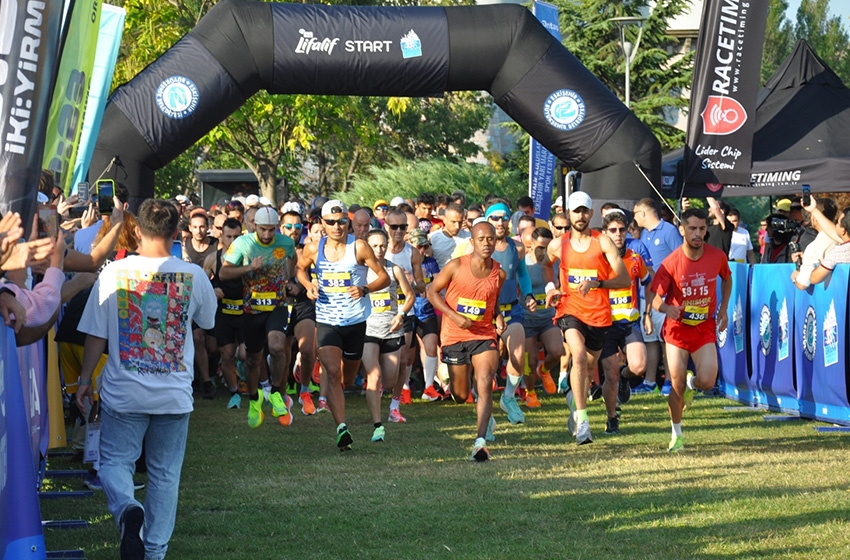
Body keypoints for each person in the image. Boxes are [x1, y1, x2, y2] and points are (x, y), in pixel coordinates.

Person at [76, 199, 216, 560]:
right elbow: (208, 321)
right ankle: (154, 552)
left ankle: (126, 509)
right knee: (165, 475)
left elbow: (95, 334)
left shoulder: (113, 272)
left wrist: (83, 381)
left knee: (114, 464)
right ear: (175, 232)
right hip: (173, 394)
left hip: (124, 393)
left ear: (136, 229)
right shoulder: (193, 274)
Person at [296, 200, 390, 449]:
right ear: (322, 224)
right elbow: (300, 270)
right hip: (327, 320)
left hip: (355, 321)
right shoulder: (313, 248)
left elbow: (384, 277)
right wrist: (308, 286)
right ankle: (341, 428)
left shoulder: (359, 247)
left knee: (347, 378)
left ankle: (343, 397)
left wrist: (365, 288)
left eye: (341, 222)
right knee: (333, 371)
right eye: (331, 222)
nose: (337, 226)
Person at [545, 191, 629, 445]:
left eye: (584, 211)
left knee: (588, 368)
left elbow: (624, 278)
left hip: (600, 315)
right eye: (575, 211)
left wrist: (598, 282)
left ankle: (574, 401)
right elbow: (546, 265)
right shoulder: (559, 244)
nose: (580, 215)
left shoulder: (603, 242)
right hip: (570, 310)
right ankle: (583, 422)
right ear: (567, 214)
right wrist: (551, 288)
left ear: (591, 214)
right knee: (578, 356)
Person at [427, 219, 506, 461]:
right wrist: (453, 316)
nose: (486, 243)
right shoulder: (455, 266)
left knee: (484, 381)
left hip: (483, 334)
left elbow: (492, 302)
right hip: (454, 335)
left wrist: (499, 316)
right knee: (461, 395)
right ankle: (447, 373)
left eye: (490, 239)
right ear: (471, 242)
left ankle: (480, 443)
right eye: (480, 239)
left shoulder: (499, 273)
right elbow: (431, 292)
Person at [220, 206, 296, 428]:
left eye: (272, 230)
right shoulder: (243, 244)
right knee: (253, 359)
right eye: (263, 230)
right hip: (251, 309)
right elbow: (224, 273)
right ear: (253, 226)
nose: (267, 235)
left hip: (277, 306)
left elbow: (291, 265)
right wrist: (248, 268)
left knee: (277, 346)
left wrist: (290, 282)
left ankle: (274, 392)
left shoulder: (286, 243)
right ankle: (255, 399)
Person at [598, 212, 651, 434]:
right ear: (604, 233)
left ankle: (625, 378)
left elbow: (649, 281)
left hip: (630, 324)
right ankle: (612, 418)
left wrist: (647, 312)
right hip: (605, 326)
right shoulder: (598, 260)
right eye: (613, 230)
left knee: (639, 366)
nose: (618, 235)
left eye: (622, 230)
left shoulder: (635, 258)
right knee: (610, 375)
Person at [362, 229, 415, 441]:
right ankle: (378, 426)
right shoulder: (359, 270)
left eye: (382, 245)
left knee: (391, 380)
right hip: (367, 329)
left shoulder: (394, 270)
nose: (379, 249)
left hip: (391, 328)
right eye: (374, 245)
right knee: (373, 376)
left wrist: (400, 315)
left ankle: (390, 401)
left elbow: (410, 296)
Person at [632, 198, 682, 395]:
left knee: (665, 340)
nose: (634, 218)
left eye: (636, 213)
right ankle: (650, 381)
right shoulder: (644, 234)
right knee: (650, 339)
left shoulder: (669, 231)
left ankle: (670, 381)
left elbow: (681, 260)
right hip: (648, 295)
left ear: (644, 213)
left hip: (666, 296)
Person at [384, 208, 426, 408]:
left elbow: (422, 286)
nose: (398, 231)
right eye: (394, 227)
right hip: (380, 310)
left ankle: (395, 404)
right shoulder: (378, 249)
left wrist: (412, 282)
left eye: (402, 227)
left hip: (405, 310)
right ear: (386, 226)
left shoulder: (413, 252)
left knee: (402, 360)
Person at [280, 208, 319, 415]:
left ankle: (305, 390)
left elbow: (316, 277)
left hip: (303, 304)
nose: (293, 230)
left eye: (297, 226)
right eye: (289, 226)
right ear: (281, 228)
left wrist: (302, 287)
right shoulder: (274, 250)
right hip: (281, 304)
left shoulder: (307, 250)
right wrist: (286, 286)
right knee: (283, 351)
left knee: (306, 349)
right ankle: (283, 392)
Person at [203, 218, 245, 409]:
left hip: (245, 313)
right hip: (224, 313)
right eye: (229, 236)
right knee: (226, 354)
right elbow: (202, 286)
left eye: (237, 236)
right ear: (222, 236)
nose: (233, 240)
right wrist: (212, 289)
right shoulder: (212, 259)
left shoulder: (249, 259)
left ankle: (256, 385)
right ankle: (234, 392)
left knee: (245, 355)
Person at [522, 227, 564, 406]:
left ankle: (544, 370)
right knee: (529, 361)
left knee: (557, 351)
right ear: (531, 244)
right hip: (526, 319)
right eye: (540, 247)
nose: (544, 252)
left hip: (548, 316)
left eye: (547, 248)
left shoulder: (554, 263)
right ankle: (530, 392)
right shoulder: (522, 263)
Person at [183, 208, 219, 399]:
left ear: (208, 228)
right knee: (197, 339)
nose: (198, 231)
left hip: (212, 297)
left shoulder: (215, 246)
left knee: (213, 346)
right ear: (190, 228)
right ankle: (206, 382)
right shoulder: (183, 246)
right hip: (189, 298)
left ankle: (210, 372)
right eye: (195, 227)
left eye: (202, 227)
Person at [408, 228, 442, 401]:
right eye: (418, 246)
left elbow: (437, 283)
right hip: (407, 311)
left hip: (427, 311)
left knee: (431, 347)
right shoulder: (403, 261)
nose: (421, 250)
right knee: (407, 352)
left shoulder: (431, 262)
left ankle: (428, 387)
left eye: (424, 246)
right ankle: (404, 389)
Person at [791, 197, 837, 290]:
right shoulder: (842, 238)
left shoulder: (814, 247)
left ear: (814, 218)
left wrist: (795, 275)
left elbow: (802, 284)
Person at [803, 197, 850, 286]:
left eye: (838, 223)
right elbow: (832, 231)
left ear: (843, 230)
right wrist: (814, 210)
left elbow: (814, 278)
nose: (835, 224)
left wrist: (819, 264)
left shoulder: (840, 252)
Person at [429, 202, 469, 268]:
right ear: (444, 219)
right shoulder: (432, 239)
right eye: (453, 222)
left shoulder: (469, 238)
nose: (457, 226)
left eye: (460, 222)